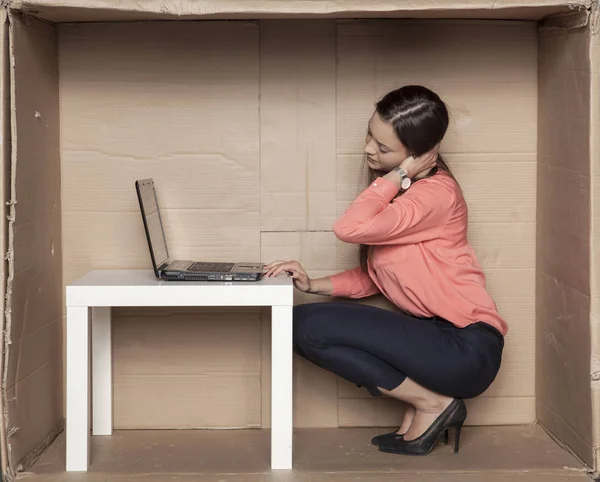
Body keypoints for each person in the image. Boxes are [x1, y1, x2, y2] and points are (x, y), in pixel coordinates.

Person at [264, 85, 506, 456]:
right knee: (297, 325)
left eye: (383, 147)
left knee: (306, 326)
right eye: (369, 136)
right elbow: (380, 273)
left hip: (466, 346)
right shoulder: (411, 193)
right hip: (437, 338)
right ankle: (428, 400)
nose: (367, 150)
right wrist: (313, 284)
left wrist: (400, 173)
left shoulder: (434, 195)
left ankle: (431, 403)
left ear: (419, 155)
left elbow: (349, 229)